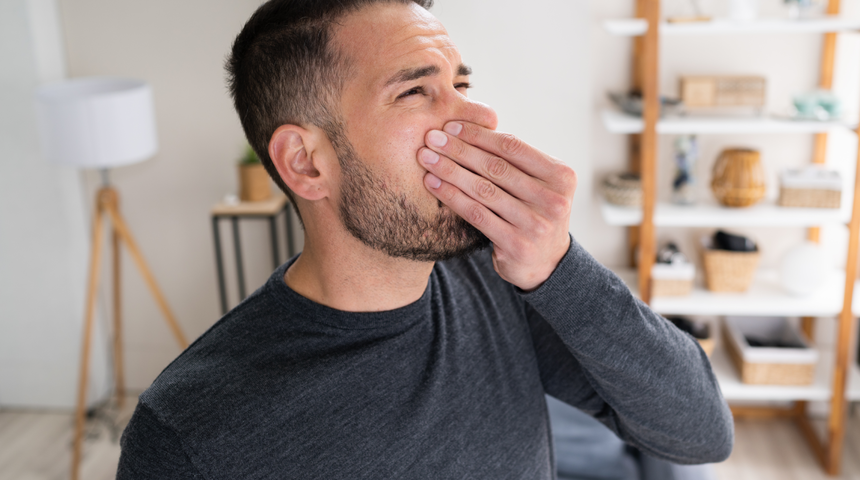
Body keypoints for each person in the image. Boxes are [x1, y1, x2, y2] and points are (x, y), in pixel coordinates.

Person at [116, 1, 733, 478]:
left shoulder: (500, 282)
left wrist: (560, 268)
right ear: (305, 163)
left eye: (461, 85)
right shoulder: (189, 431)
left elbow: (701, 432)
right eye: (415, 91)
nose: (478, 116)